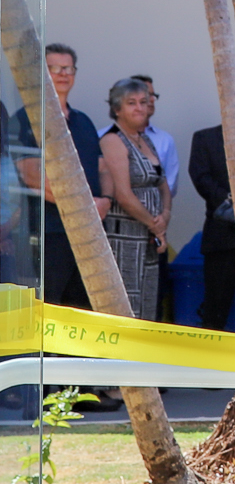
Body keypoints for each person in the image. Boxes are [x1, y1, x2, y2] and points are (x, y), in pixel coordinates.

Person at [12, 44, 110, 309]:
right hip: (48, 234)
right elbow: (33, 176)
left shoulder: (84, 121)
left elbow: (103, 169)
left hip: (90, 236)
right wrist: (87, 208)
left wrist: (107, 200)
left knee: (84, 309)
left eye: (67, 68)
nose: (62, 74)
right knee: (49, 309)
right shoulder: (26, 119)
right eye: (53, 69)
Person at [98, 77, 168, 320]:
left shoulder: (144, 139)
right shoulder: (112, 140)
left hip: (148, 239)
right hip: (124, 240)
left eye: (143, 102)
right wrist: (155, 225)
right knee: (126, 307)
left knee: (148, 306)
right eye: (131, 103)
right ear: (117, 108)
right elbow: (123, 194)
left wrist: (165, 217)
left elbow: (163, 184)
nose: (139, 108)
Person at [187, 121, 235, 330]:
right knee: (215, 314)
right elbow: (201, 178)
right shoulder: (204, 137)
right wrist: (234, 202)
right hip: (221, 238)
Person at [126, 75, 180, 199]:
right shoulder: (105, 137)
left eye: (153, 95)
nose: (152, 100)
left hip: (155, 215)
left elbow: (170, 185)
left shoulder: (165, 140)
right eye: (146, 94)